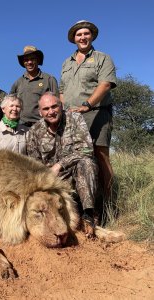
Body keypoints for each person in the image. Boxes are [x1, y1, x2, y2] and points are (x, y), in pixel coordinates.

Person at [59, 20, 117, 203]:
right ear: (74, 39)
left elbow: (106, 84)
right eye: (79, 34)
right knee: (74, 159)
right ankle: (82, 204)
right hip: (71, 117)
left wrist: (88, 104)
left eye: (86, 34)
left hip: (97, 113)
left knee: (100, 158)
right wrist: (64, 111)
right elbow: (62, 91)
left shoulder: (102, 58)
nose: (83, 37)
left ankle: (108, 204)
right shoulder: (66, 63)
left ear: (91, 36)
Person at [27, 92, 98, 237]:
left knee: (87, 163)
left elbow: (86, 149)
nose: (51, 112)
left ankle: (89, 215)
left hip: (75, 175)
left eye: (54, 107)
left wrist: (59, 165)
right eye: (46, 109)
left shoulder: (75, 118)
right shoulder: (34, 131)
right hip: (51, 181)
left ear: (61, 106)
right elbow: (34, 164)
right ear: (40, 112)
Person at [10, 45, 59, 127]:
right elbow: (10, 105)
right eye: (26, 60)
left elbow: (57, 104)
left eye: (32, 59)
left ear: (38, 60)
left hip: (43, 125)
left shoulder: (49, 79)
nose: (29, 62)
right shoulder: (17, 83)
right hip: (21, 128)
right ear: (23, 63)